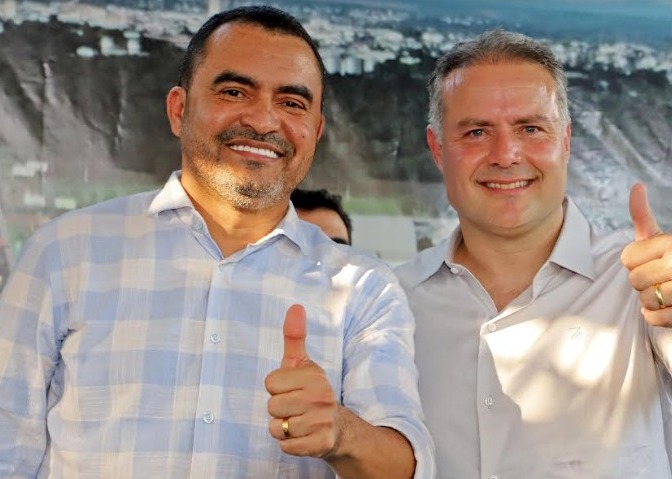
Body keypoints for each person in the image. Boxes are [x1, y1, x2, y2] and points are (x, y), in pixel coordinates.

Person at [0, 6, 433, 479]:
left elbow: (405, 468)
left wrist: (341, 433)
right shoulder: (66, 252)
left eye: (292, 102)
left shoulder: (363, 288)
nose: (264, 121)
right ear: (179, 110)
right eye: (234, 91)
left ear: (315, 131)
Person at [394, 28, 672, 478]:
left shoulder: (642, 272)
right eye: (476, 132)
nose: (506, 154)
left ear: (566, 140)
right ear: (438, 149)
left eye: (531, 128)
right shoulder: (394, 298)